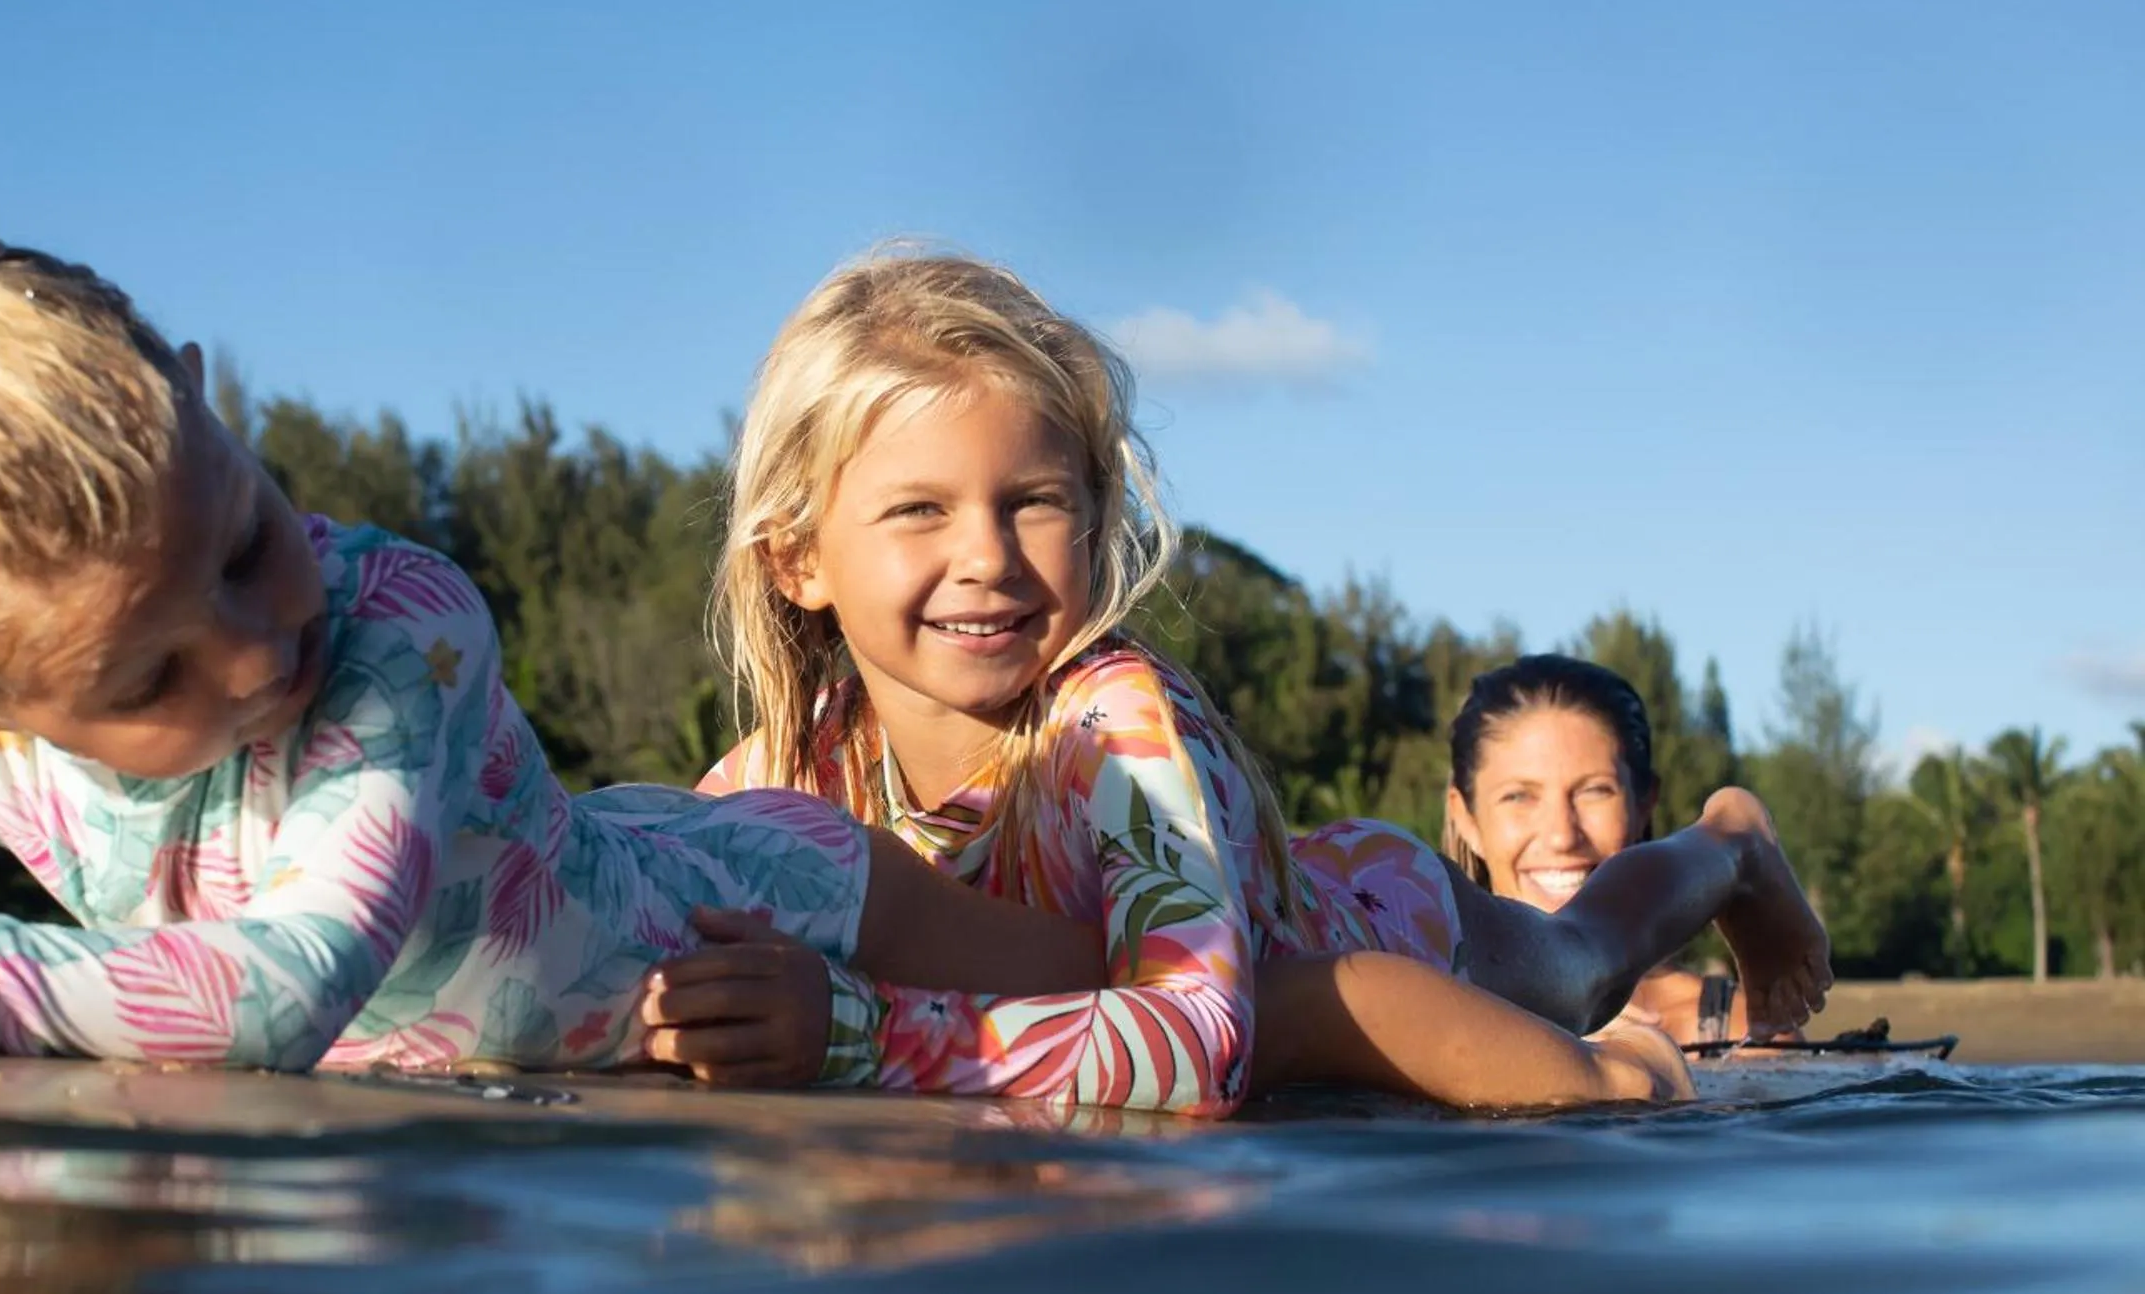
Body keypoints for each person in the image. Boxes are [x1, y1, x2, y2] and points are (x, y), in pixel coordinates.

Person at [0, 126, 1112, 1072]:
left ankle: (1305, 921)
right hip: (555, 939)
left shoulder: (398, 621)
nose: (255, 647)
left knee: (1090, 978)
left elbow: (287, 988)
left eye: (243, 545)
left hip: (727, 888)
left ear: (212, 408)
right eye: (148, 678)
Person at [665, 251, 1832, 1115]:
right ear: (798, 557)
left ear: (1093, 515)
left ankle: (1726, 846)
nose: (987, 554)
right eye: (919, 509)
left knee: (1577, 961)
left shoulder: (1110, 723)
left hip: (1365, 945)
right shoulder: (779, 777)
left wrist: (857, 1031)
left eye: (1032, 501)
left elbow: (1236, 1029)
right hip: (1243, 959)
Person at [1443, 654, 1776, 1047]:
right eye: (1518, 796)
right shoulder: (1411, 1012)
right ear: (1466, 820)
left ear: (1643, 805)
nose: (1562, 836)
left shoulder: (1739, 1030)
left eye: (1594, 791)